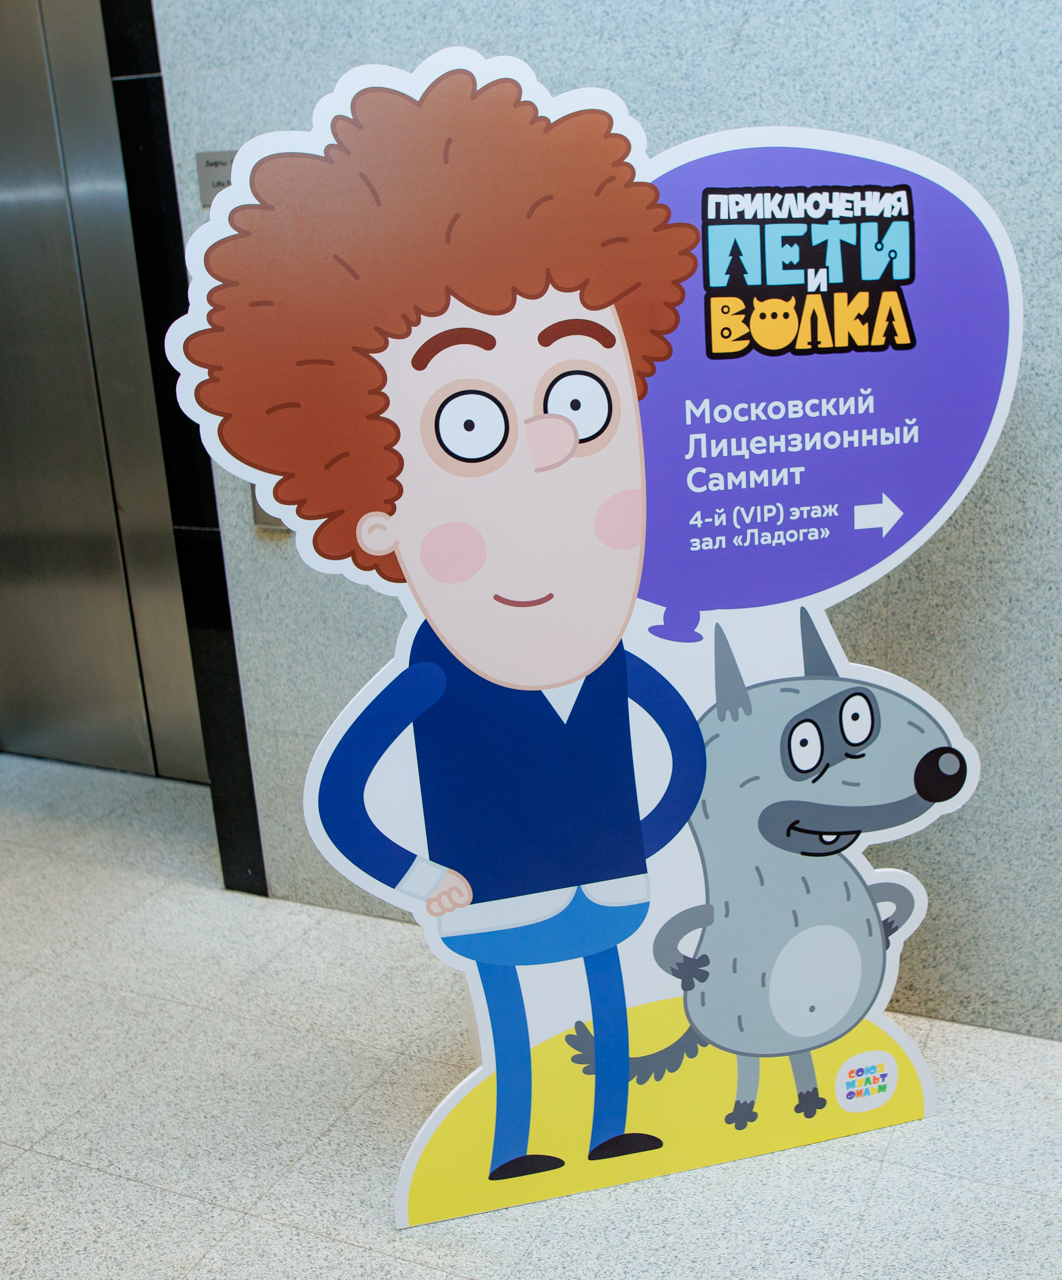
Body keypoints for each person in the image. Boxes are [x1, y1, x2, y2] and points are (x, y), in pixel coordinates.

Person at [183, 69, 706, 1182]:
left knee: (606, 991)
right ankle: (518, 1140)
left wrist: (650, 831)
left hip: (606, 879)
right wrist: (418, 874)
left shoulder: (612, 659)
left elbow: (684, 746)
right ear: (377, 514)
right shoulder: (433, 678)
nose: (547, 460)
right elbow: (342, 794)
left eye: (580, 400)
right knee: (513, 1007)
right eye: (470, 425)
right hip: (495, 889)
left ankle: (612, 1122)